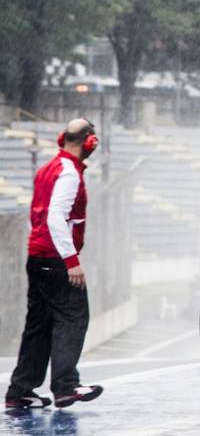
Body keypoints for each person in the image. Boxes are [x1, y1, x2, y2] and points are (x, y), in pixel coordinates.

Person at [5, 118, 104, 410]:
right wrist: (71, 261)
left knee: (38, 326)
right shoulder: (70, 173)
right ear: (89, 142)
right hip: (56, 259)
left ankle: (20, 390)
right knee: (72, 318)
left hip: (37, 257)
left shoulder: (47, 169)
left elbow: (35, 216)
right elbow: (54, 218)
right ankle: (66, 387)